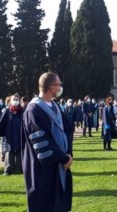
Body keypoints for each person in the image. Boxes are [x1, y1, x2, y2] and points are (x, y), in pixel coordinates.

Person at [21, 72, 73, 211]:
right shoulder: (33, 109)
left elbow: (67, 130)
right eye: (59, 84)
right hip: (43, 168)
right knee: (45, 204)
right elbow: (41, 140)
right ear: (52, 87)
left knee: (58, 204)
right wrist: (63, 157)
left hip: (60, 163)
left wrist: (68, 154)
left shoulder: (55, 106)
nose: (61, 87)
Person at [0, 94, 23, 175]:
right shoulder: (6, 111)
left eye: (17, 99)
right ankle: (8, 170)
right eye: (14, 99)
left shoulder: (22, 111)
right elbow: (2, 123)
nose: (15, 101)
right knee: (9, 152)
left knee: (20, 151)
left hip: (20, 134)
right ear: (10, 101)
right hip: (9, 135)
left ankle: (20, 169)